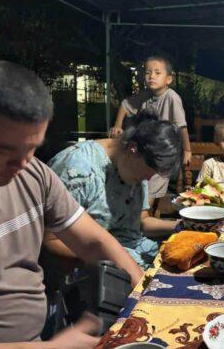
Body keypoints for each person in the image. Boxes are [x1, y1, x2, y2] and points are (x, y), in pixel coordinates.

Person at [0, 61, 144, 348]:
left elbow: (93, 241)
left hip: (42, 335)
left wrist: (141, 295)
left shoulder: (33, 174)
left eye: (33, 147)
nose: (22, 163)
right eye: (5, 149)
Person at [47, 111, 181, 268]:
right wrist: (114, 260)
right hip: (92, 270)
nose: (149, 178)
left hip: (133, 252)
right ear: (133, 149)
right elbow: (50, 241)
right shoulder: (78, 169)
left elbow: (141, 221)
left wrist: (181, 225)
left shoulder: (134, 167)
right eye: (150, 169)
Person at [108, 56, 191, 200]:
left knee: (153, 179)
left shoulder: (172, 98)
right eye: (148, 72)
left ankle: (146, 211)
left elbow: (182, 126)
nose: (152, 76)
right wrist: (117, 125)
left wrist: (187, 150)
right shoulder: (144, 95)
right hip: (145, 148)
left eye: (157, 73)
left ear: (168, 79)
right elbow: (125, 105)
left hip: (162, 149)